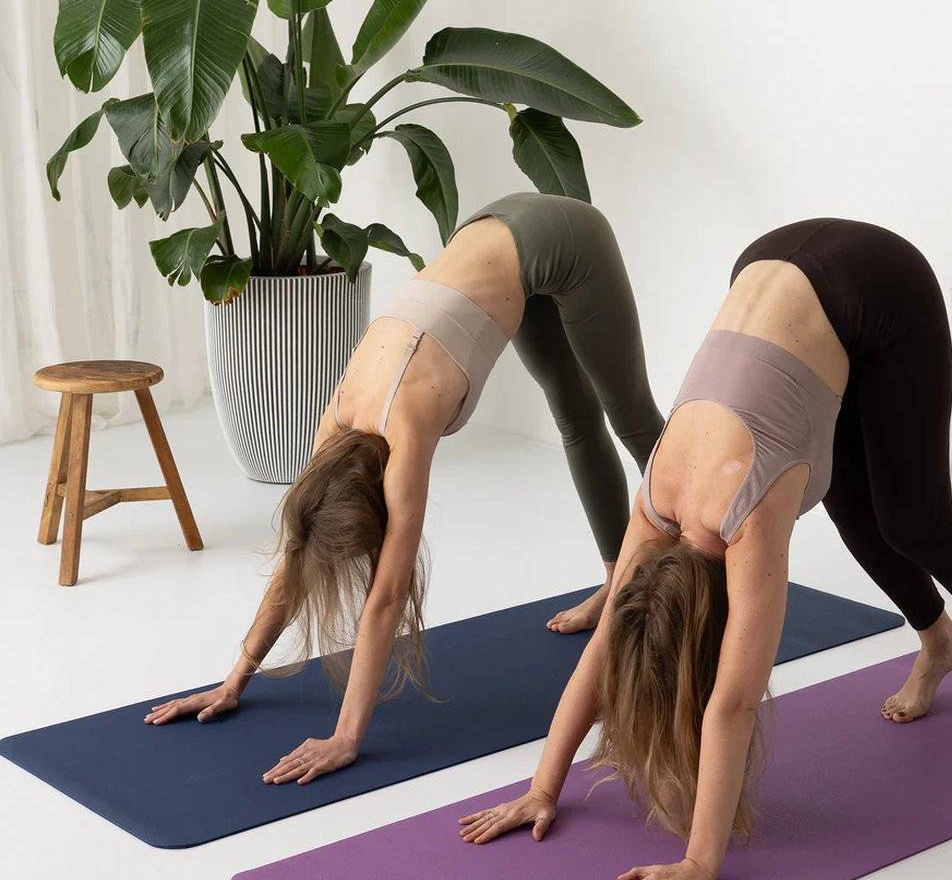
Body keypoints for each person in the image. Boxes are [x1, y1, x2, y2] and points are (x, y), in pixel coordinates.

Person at [461, 218, 952, 880]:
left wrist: (699, 862)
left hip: (877, 282)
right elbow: (603, 649)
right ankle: (939, 642)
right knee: (855, 509)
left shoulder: (748, 518)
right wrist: (542, 787)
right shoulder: (655, 501)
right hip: (770, 262)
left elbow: (731, 704)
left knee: (912, 516)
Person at [144, 193, 664, 785]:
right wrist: (235, 678)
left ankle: (714, 525)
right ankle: (613, 578)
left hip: (567, 237)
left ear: (377, 506)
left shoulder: (406, 428)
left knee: (629, 414)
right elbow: (296, 555)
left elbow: (387, 597)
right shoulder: (337, 421)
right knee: (573, 415)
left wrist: (346, 736)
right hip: (497, 235)